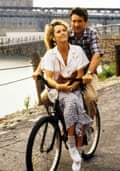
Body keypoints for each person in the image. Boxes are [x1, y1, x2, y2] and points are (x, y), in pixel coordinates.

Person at [32, 19, 93, 171]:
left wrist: (72, 86)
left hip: (75, 86)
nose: (63, 33)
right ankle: (74, 149)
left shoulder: (77, 50)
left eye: (64, 30)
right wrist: (60, 86)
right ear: (53, 37)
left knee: (74, 102)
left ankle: (75, 153)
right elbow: (49, 79)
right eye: (58, 31)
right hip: (58, 89)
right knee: (69, 102)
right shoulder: (51, 55)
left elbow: (80, 74)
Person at [69, 7, 104, 118]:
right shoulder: (67, 34)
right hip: (70, 74)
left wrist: (89, 73)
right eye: (74, 21)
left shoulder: (91, 33)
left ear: (86, 22)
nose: (76, 24)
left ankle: (87, 126)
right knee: (46, 98)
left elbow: (97, 54)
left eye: (79, 21)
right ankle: (63, 125)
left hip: (88, 72)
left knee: (90, 98)